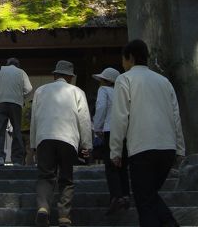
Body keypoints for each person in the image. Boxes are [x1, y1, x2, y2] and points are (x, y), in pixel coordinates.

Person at [108, 39, 185, 227]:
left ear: (130, 58)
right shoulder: (164, 81)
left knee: (144, 199)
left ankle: (170, 223)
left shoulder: (124, 79)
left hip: (142, 148)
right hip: (167, 148)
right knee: (149, 194)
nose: (123, 63)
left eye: (124, 59)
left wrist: (115, 151)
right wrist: (180, 149)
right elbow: (176, 116)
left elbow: (119, 117)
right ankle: (169, 223)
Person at [30, 60, 92, 227]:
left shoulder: (41, 91)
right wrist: (86, 145)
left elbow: (34, 119)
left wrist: (34, 144)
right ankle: (64, 216)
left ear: (55, 75)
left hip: (44, 137)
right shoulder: (77, 91)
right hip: (68, 139)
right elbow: (84, 120)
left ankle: (43, 208)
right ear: (70, 78)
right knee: (66, 178)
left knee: (45, 176)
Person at [91, 66, 130, 213]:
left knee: (111, 163)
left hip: (109, 130)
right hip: (125, 131)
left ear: (105, 81)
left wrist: (97, 127)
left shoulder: (103, 91)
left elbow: (101, 107)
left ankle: (116, 196)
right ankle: (126, 194)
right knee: (123, 164)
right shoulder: (123, 92)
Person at [0, 57, 32, 166]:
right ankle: (17, 160)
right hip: (16, 104)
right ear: (17, 65)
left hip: (1, 103)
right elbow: (29, 88)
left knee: (0, 131)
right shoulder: (21, 72)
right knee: (17, 131)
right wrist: (21, 96)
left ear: (7, 64)